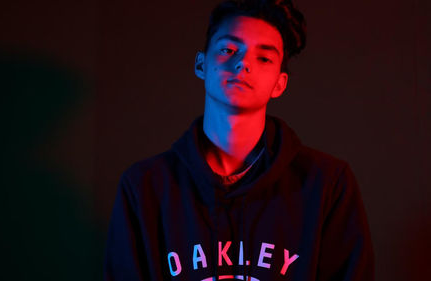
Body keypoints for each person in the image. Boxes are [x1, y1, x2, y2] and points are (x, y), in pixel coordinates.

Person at [104, 0, 375, 280]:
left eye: (264, 58)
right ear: (201, 64)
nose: (243, 62)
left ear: (279, 83)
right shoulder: (145, 186)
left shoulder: (326, 184)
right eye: (228, 50)